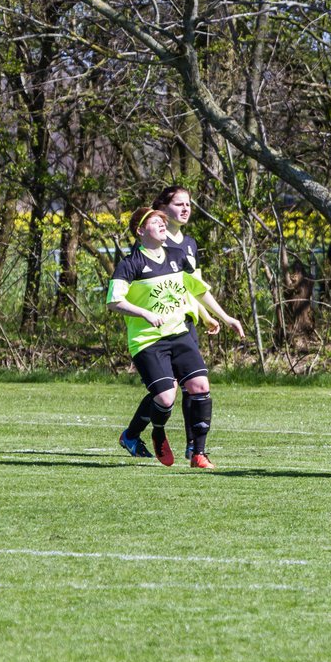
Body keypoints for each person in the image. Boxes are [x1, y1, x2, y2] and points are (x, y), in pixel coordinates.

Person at [107, 207, 241, 469]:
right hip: (147, 341)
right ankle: (157, 432)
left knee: (200, 386)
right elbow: (114, 301)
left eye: (163, 221)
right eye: (155, 221)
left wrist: (225, 318)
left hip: (179, 334)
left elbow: (199, 290)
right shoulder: (130, 263)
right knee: (166, 398)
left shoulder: (178, 256)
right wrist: (144, 313)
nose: (161, 225)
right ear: (140, 231)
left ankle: (199, 454)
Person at [152, 185, 246, 460]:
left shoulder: (189, 245)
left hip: (186, 324)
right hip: (159, 328)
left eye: (189, 204)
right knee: (165, 392)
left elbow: (194, 287)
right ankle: (139, 433)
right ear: (163, 207)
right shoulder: (153, 241)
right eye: (179, 204)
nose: (185, 209)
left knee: (194, 386)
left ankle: (195, 447)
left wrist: (211, 316)